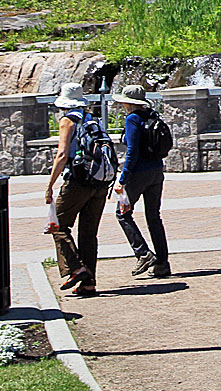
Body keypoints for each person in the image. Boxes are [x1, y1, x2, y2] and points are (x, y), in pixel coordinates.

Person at [45, 82, 115, 297]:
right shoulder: (93, 118)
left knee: (58, 225)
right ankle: (89, 284)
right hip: (100, 182)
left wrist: (49, 185)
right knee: (88, 233)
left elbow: (62, 155)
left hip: (78, 182)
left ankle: (76, 269)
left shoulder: (68, 120)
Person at [112, 85, 172, 278]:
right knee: (154, 217)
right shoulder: (152, 115)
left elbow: (132, 151)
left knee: (122, 214)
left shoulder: (132, 119)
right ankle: (162, 263)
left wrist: (122, 179)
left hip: (138, 173)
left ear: (128, 103)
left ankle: (143, 253)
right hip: (156, 171)